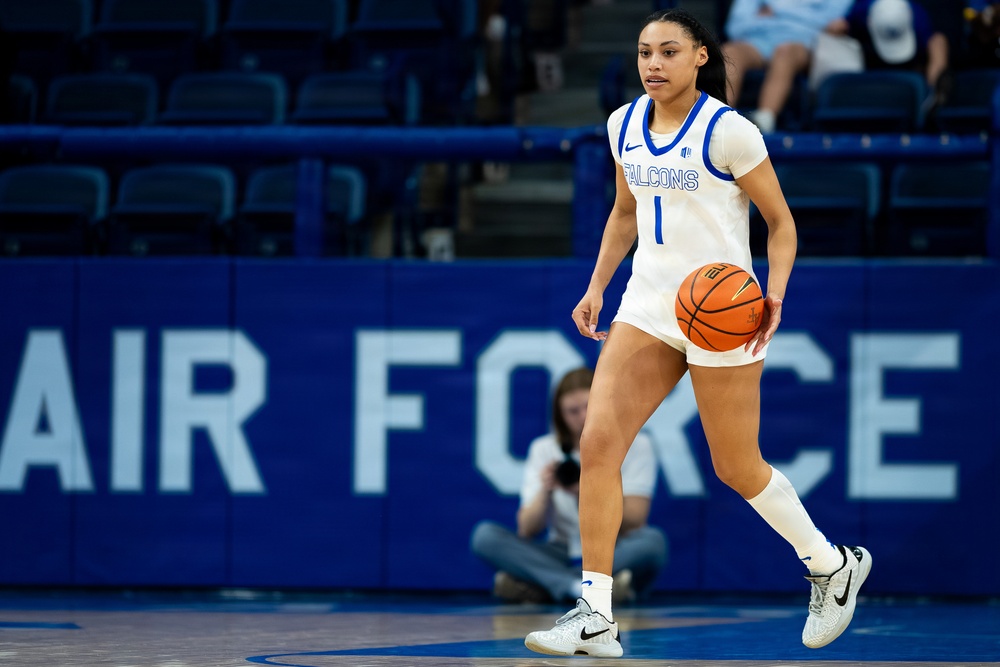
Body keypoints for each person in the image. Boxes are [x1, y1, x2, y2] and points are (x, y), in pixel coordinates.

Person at [524, 8, 872, 658]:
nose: (653, 63)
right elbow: (625, 212)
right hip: (650, 302)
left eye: (668, 52)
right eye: (644, 52)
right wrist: (598, 284)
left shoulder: (729, 132)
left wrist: (775, 292)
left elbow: (782, 223)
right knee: (598, 443)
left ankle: (830, 564)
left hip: (723, 306)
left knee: (736, 466)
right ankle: (595, 613)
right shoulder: (622, 123)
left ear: (699, 59)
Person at [470, 367, 667, 605]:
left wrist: (586, 491)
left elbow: (635, 520)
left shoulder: (637, 444)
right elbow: (527, 529)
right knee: (485, 536)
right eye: (573, 411)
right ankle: (586, 589)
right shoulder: (543, 449)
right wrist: (546, 489)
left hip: (613, 550)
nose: (583, 416)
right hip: (560, 551)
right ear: (560, 415)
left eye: (588, 406)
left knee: (652, 542)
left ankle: (546, 586)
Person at [721, 0, 854, 132]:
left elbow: (834, 22)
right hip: (758, 40)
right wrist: (801, 19)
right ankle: (717, 120)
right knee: (729, 52)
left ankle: (763, 122)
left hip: (805, 43)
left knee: (784, 52)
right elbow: (735, 26)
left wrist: (775, 14)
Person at [827, 0, 949, 89]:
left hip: (911, 68)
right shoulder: (861, 12)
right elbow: (840, 26)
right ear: (869, 21)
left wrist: (933, 87)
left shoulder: (919, 18)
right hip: (869, 70)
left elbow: (937, 41)